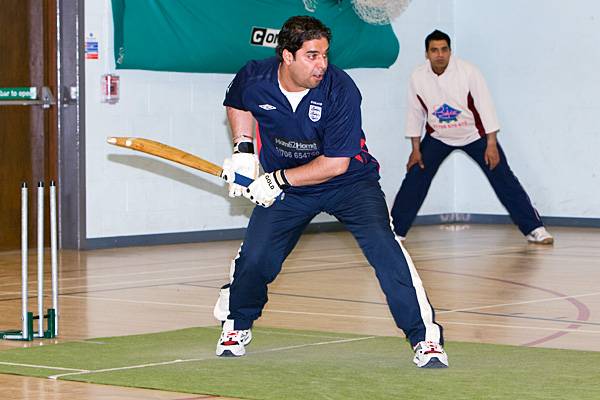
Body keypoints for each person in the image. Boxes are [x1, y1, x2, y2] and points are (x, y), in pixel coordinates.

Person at [214, 16, 448, 368]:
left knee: (386, 251)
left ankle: (424, 339)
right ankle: (236, 323)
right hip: (291, 187)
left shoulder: (341, 89)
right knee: (256, 258)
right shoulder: (255, 76)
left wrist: (277, 181)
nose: (322, 64)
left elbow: (335, 164)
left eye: (324, 54)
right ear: (286, 56)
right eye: (311, 55)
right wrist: (244, 150)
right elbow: (238, 102)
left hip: (350, 183)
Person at [391, 30, 553, 245]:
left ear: (450, 51)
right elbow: (415, 112)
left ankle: (535, 228)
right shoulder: (418, 77)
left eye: (444, 49)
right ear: (426, 54)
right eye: (434, 50)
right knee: (415, 176)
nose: (440, 54)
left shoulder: (468, 72)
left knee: (503, 178)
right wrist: (415, 149)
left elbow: (486, 108)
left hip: (475, 135)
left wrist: (491, 144)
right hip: (438, 137)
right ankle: (395, 233)